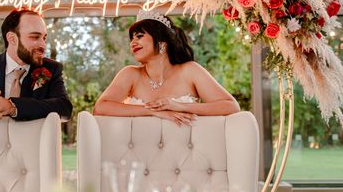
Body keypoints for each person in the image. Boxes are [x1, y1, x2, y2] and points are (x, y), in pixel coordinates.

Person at [93, 8, 239, 125]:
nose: (132, 43)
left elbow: (231, 106)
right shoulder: (130, 74)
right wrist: (153, 111)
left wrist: (179, 106)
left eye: (139, 36)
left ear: (162, 43)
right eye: (131, 39)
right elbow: (100, 108)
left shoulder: (190, 70)